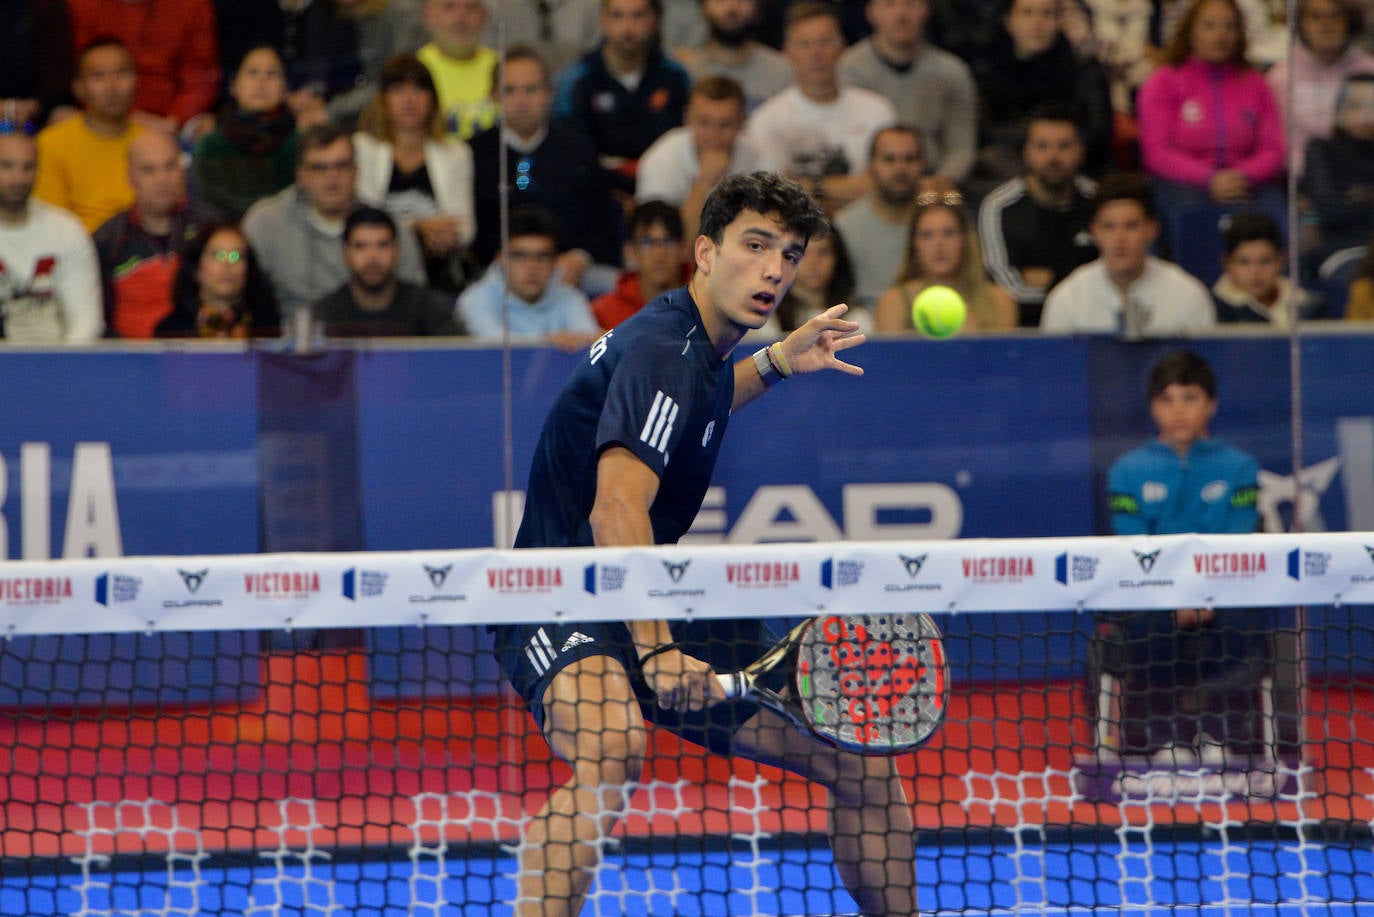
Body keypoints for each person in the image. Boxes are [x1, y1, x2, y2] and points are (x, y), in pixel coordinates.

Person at [490, 171, 917, 917]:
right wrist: (655, 651)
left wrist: (778, 360)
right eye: (755, 246)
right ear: (705, 253)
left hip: (650, 588)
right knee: (612, 746)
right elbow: (616, 507)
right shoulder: (663, 349)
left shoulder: (695, 342)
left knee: (861, 765)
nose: (775, 269)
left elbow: (702, 397)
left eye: (788, 253)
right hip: (560, 596)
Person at [1098, 349, 1264, 760]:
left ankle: (1221, 736)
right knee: (1146, 628)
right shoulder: (1127, 471)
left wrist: (1204, 596)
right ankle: (1162, 738)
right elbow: (1133, 545)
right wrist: (1175, 599)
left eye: (1190, 398)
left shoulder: (1240, 467)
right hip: (1156, 599)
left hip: (1222, 598)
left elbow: (1238, 540)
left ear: (1211, 404)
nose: (1178, 411)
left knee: (1245, 627)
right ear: (1153, 408)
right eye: (1167, 400)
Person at [242, 123, 426, 320]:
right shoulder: (264, 224)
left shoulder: (389, 226)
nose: (332, 177)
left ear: (355, 172)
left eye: (341, 166)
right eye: (319, 168)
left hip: (372, 338)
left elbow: (416, 301)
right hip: (291, 341)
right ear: (301, 175)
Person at [468, 45, 620, 279]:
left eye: (531, 90)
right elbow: (472, 231)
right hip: (497, 274)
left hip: (569, 271)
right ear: (494, 96)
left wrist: (581, 256)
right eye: (509, 90)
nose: (521, 101)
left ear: (550, 92)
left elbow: (603, 219)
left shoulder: (578, 149)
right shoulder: (472, 154)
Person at [1136, 0, 1285, 219]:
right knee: (1191, 219)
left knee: (1278, 218)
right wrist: (1209, 178)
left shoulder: (1256, 83)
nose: (1220, 35)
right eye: (1209, 25)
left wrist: (1242, 176)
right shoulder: (1163, 81)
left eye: (1229, 26)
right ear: (1190, 31)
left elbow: (1273, 149)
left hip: (1248, 183)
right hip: (1183, 185)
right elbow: (1157, 152)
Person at [744, 3, 897, 213]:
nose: (816, 53)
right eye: (804, 44)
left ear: (842, 48)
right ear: (787, 53)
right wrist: (850, 188)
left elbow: (885, 186)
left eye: (824, 42)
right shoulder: (766, 120)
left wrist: (810, 186)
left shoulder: (877, 110)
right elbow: (774, 196)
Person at [353, 53, 476, 292]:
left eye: (419, 89)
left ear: (433, 99)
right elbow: (362, 216)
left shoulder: (457, 153)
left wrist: (438, 236)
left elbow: (466, 228)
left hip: (439, 273)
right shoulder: (362, 148)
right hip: (376, 272)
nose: (409, 100)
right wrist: (417, 230)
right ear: (383, 100)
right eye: (398, 90)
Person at [1040, 173, 1216, 336]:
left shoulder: (1188, 294)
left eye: (1131, 226)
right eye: (1109, 227)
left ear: (1152, 229)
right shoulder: (1067, 299)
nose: (1120, 239)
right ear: (1093, 232)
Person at [978, 103, 1100, 327]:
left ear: (1080, 150)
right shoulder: (998, 206)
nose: (1053, 156)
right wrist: (1073, 284)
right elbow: (1005, 290)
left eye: (1064, 146)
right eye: (1042, 147)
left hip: (1092, 325)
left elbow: (1109, 282)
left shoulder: (1098, 201)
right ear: (1026, 152)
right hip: (1023, 328)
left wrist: (1049, 280)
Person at [968, 0, 1114, 187]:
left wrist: (1057, 145)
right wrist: (1036, 142)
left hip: (1078, 164)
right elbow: (986, 130)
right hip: (1011, 163)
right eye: (1027, 13)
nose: (1037, 23)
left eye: (1047, 14)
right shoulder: (986, 70)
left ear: (1059, 21)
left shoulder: (1084, 69)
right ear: (1008, 20)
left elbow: (1098, 132)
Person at [553, 0, 693, 189]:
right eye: (617, 16)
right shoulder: (576, 80)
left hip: (664, 190)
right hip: (595, 193)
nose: (628, 27)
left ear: (655, 19)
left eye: (638, 16)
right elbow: (569, 151)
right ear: (603, 20)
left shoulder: (675, 77)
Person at [837, 0, 978, 187]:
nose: (901, 15)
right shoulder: (849, 69)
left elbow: (961, 148)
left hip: (933, 186)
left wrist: (937, 184)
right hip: (868, 186)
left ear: (926, 10)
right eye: (890, 4)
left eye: (911, 4)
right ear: (871, 12)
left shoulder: (952, 73)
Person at [635, 76, 779, 242]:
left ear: (742, 123)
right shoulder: (661, 160)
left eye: (725, 124)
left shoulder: (760, 157)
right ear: (687, 118)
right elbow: (665, 250)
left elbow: (775, 233)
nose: (714, 135)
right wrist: (703, 183)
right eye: (704, 123)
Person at [93, 131, 201, 339]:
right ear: (131, 178)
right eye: (148, 170)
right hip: (128, 362)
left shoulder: (206, 232)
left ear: (182, 172)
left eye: (169, 167)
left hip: (198, 357)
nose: (162, 179)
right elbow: (97, 319)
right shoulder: (107, 239)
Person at [0, 129, 102, 343]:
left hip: (59, 363)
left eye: (28, 167)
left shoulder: (66, 229)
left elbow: (86, 322)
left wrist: (61, 369)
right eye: (6, 166)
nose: (18, 178)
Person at [32, 38, 144, 234]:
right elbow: (48, 225)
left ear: (137, 80)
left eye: (122, 73)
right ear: (78, 88)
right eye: (98, 76)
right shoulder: (50, 144)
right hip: (78, 253)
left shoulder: (151, 142)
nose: (112, 86)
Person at [457, 204, 602, 350]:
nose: (532, 267)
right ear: (500, 259)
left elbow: (590, 339)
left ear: (555, 262)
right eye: (520, 256)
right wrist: (547, 343)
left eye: (543, 256)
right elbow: (494, 345)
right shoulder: (474, 299)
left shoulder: (569, 296)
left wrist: (581, 339)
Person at [65, 0, 221, 134]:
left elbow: (200, 79)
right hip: (98, 118)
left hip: (169, 126)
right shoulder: (81, 6)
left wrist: (175, 120)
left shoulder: (192, 6)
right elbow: (80, 74)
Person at [874, 190, 1018, 333]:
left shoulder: (1000, 301)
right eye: (927, 235)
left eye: (949, 233)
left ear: (966, 241)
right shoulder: (894, 302)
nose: (939, 243)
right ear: (914, 246)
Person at [1265, 0, 1374, 178]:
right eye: (1315, 17)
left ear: (1350, 21)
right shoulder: (1281, 77)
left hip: (1361, 179)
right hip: (1297, 180)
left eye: (1334, 16)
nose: (1326, 25)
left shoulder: (1369, 71)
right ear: (1300, 24)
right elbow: (1275, 144)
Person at [192, 45, 300, 223]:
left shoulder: (299, 144)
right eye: (252, 72)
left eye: (272, 73)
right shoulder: (211, 144)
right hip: (226, 237)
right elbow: (209, 200)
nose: (262, 82)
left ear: (285, 89)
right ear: (234, 85)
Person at [314, 206, 460, 336]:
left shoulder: (430, 308)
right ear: (345, 254)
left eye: (382, 245)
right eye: (360, 246)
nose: (373, 256)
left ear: (396, 251)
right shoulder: (325, 315)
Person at [834, 124, 928, 312]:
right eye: (889, 159)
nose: (900, 168)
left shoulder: (940, 227)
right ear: (871, 165)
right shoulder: (843, 227)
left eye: (909, 159)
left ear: (922, 165)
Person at [155, 222, 281, 338]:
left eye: (236, 256)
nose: (227, 264)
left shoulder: (267, 328)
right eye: (217, 255)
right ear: (196, 268)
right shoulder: (170, 331)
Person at [673, 0, 794, 114]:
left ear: (756, 6)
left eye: (741, 0)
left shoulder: (782, 71)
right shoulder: (687, 72)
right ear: (704, 8)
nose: (731, 8)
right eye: (720, 1)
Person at [1302, 73, 1374, 258]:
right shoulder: (1321, 150)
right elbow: (1326, 209)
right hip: (1340, 249)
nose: (1365, 116)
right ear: (1340, 109)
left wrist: (1357, 197)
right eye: (1355, 106)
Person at [591, 200, 692, 329]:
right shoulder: (603, 313)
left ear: (683, 248)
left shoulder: (705, 302)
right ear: (630, 251)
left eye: (669, 241)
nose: (659, 252)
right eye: (647, 242)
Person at [1210, 212, 1324, 326]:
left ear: (1280, 261)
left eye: (1265, 261)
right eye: (1244, 262)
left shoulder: (1308, 305)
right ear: (1227, 263)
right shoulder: (1213, 309)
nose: (1255, 272)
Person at [416, 0, 501, 141]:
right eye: (449, 7)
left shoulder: (505, 70)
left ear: (484, 15)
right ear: (429, 16)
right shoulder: (415, 72)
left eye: (471, 7)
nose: (460, 17)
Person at [774, 219, 861, 333]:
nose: (813, 262)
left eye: (823, 252)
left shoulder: (857, 319)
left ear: (837, 258)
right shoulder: (766, 320)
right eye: (803, 253)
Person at [0, 0, 75, 131]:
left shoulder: (48, 7)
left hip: (38, 109)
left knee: (66, 118)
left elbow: (58, 77)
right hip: (5, 109)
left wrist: (32, 106)